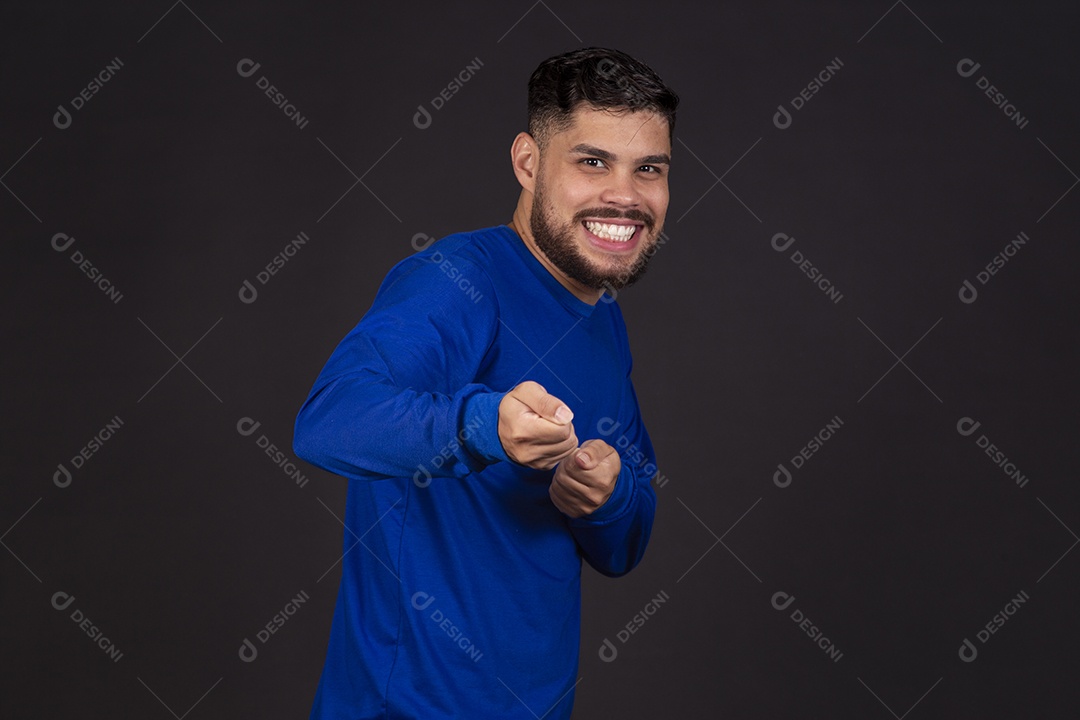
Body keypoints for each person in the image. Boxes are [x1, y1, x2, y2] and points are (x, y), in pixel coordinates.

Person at [293, 46, 678, 720]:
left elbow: (625, 544)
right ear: (528, 163)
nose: (625, 195)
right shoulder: (455, 280)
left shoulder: (601, 316)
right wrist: (484, 427)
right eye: (593, 162)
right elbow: (328, 421)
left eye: (648, 168)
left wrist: (605, 496)